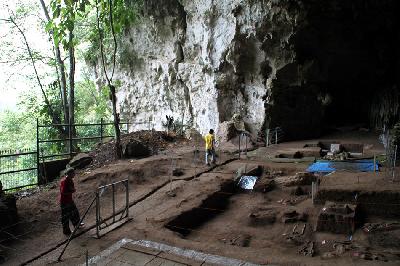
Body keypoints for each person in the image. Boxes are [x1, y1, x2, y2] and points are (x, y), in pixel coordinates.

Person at [59, 167, 81, 235]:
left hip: (69, 200)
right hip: (64, 202)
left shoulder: (70, 180)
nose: (74, 174)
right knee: (66, 216)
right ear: (70, 174)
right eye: (73, 173)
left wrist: (72, 190)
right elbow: (63, 192)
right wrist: (71, 191)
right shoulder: (64, 181)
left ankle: (77, 224)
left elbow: (71, 188)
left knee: (75, 212)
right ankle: (66, 231)